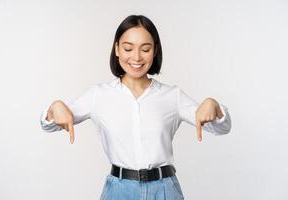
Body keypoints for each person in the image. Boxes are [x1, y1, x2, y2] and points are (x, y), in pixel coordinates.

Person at [40, 14, 231, 200]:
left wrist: (214, 107)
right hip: (119, 191)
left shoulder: (172, 96)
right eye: (128, 48)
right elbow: (52, 124)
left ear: (155, 51)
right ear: (117, 49)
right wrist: (54, 109)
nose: (136, 57)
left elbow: (221, 128)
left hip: (164, 190)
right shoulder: (98, 95)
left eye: (145, 49)